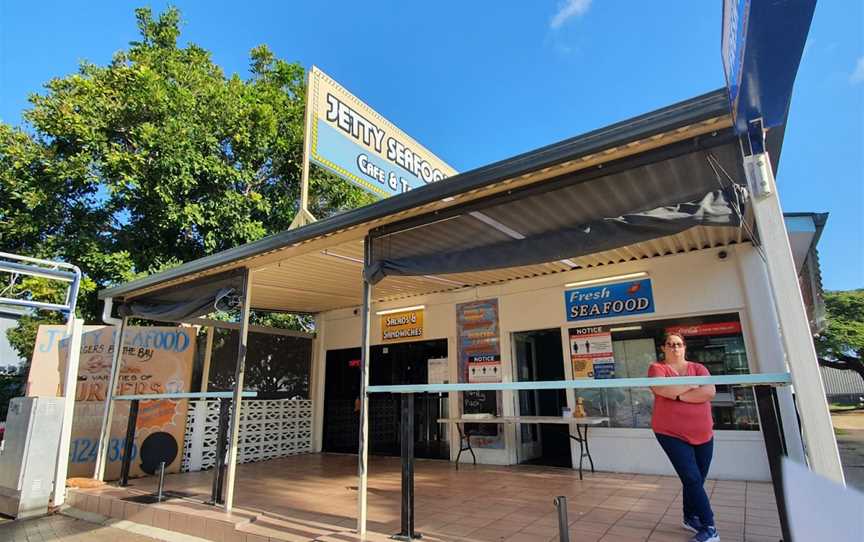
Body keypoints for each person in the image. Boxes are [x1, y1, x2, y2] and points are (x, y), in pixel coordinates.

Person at [648, 332, 719, 542]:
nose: (674, 347)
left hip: (704, 433)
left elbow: (709, 392)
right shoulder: (657, 368)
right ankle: (709, 527)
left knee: (697, 479)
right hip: (670, 433)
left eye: (678, 344)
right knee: (691, 478)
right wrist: (689, 389)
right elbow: (662, 389)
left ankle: (689, 517)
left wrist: (677, 393)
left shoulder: (699, 368)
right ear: (663, 348)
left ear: (684, 347)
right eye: (670, 344)